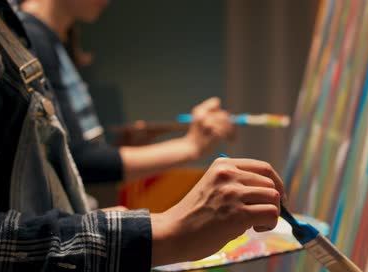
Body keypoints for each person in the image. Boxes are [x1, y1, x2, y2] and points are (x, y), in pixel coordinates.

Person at [0, 0, 284, 272]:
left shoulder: (19, 28)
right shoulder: (30, 34)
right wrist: (171, 216)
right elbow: (82, 160)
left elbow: (54, 151)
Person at [15, 0, 235, 184]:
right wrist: (191, 146)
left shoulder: (51, 39)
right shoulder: (33, 38)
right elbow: (78, 162)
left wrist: (122, 149)